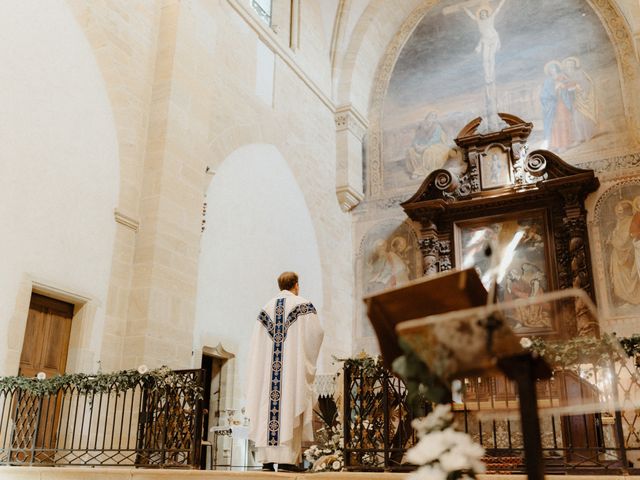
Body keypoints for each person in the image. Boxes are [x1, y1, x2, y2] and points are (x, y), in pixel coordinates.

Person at [246, 272, 324, 472]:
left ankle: (267, 460)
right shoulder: (304, 305)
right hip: (290, 374)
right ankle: (287, 461)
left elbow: (256, 345)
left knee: (267, 408)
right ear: (296, 285)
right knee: (289, 404)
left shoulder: (265, 309)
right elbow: (316, 335)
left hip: (268, 376)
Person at [463, 0, 507, 84]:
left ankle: (492, 76)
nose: (483, 15)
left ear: (487, 14)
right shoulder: (479, 21)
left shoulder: (491, 18)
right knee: (485, 59)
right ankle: (488, 78)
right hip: (485, 41)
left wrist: (502, 2)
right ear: (480, 15)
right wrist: (465, 9)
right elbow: (471, 16)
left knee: (491, 58)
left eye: (484, 14)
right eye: (481, 14)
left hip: (493, 39)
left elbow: (498, 9)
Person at [607, 200, 640, 305]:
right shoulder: (619, 222)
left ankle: (634, 298)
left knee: (629, 276)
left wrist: (612, 240)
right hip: (617, 255)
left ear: (626, 210)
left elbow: (625, 240)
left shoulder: (630, 221)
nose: (618, 213)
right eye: (617, 211)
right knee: (619, 278)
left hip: (627, 255)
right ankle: (624, 300)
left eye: (620, 210)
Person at [406, 111, 450, 179]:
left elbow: (435, 139)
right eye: (430, 116)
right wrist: (416, 145)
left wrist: (425, 147)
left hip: (434, 144)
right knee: (410, 151)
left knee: (429, 152)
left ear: (435, 119)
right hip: (421, 145)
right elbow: (416, 138)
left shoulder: (436, 127)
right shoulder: (422, 127)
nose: (431, 118)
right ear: (427, 117)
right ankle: (416, 169)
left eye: (433, 117)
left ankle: (423, 171)